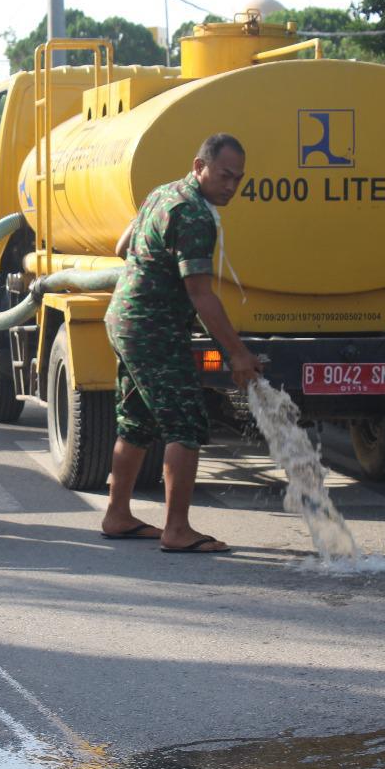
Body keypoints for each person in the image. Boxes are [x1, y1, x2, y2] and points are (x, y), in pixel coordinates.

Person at [102, 133, 263, 553]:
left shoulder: (162, 194)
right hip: (152, 328)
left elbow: (122, 246)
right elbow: (200, 294)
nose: (231, 186)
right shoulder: (193, 215)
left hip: (125, 319)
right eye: (225, 176)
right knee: (186, 423)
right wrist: (238, 353)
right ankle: (177, 530)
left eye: (239, 179)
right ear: (200, 167)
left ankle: (117, 515)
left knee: (136, 420)